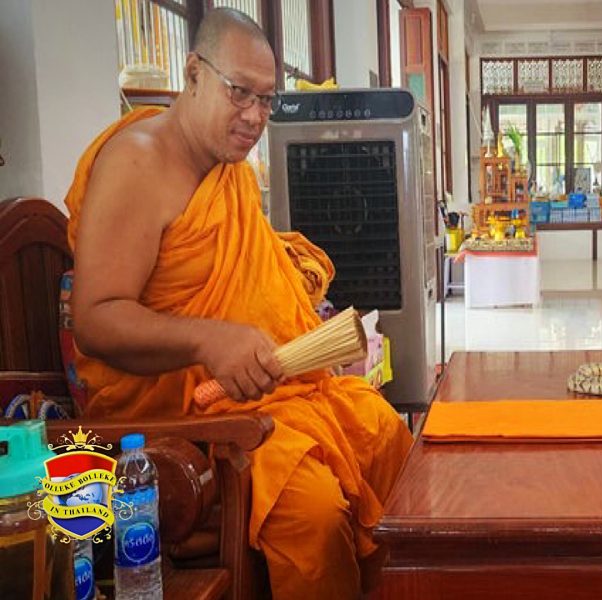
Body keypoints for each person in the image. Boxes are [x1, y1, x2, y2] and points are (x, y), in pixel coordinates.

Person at [65, 8, 412, 599]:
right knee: (315, 511)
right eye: (239, 93)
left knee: (390, 440)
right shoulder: (138, 162)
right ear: (193, 73)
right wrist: (209, 339)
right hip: (180, 421)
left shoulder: (228, 171)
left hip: (263, 396)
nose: (255, 116)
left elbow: (239, 270)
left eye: (267, 100)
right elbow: (96, 318)